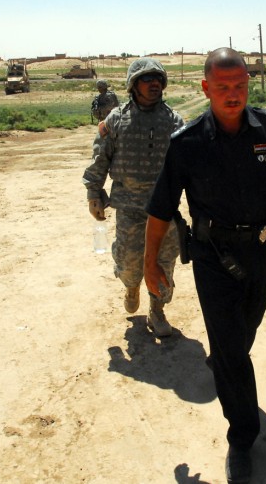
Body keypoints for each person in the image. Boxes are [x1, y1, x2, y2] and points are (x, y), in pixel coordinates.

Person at [143, 47, 266, 484]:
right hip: (212, 257)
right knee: (231, 349)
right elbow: (160, 209)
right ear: (206, 87)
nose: (233, 95)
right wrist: (151, 261)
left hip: (261, 252)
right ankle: (242, 437)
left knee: (242, 335)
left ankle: (226, 362)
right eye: (223, 87)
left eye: (241, 86)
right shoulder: (187, 144)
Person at [82, 58, 183, 337]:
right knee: (128, 263)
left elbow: (188, 166)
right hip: (129, 209)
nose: (154, 84)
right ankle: (131, 286)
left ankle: (157, 310)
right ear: (133, 85)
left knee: (164, 264)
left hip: (163, 211)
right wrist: (93, 192)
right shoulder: (116, 120)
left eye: (158, 79)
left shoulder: (175, 122)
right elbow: (99, 159)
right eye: (146, 79)